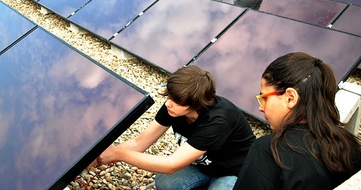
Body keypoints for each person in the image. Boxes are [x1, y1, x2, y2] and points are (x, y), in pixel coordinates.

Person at [87, 65, 255, 190]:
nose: (168, 103)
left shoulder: (218, 120)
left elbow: (171, 164)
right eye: (169, 96)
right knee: (164, 183)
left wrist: (119, 154)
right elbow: (140, 142)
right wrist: (100, 154)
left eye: (175, 101)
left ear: (196, 103)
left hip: (234, 172)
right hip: (203, 166)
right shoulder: (173, 108)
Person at [233, 52, 361, 190]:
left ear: (290, 98)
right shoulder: (351, 146)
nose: (260, 107)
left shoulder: (268, 151)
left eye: (264, 98)